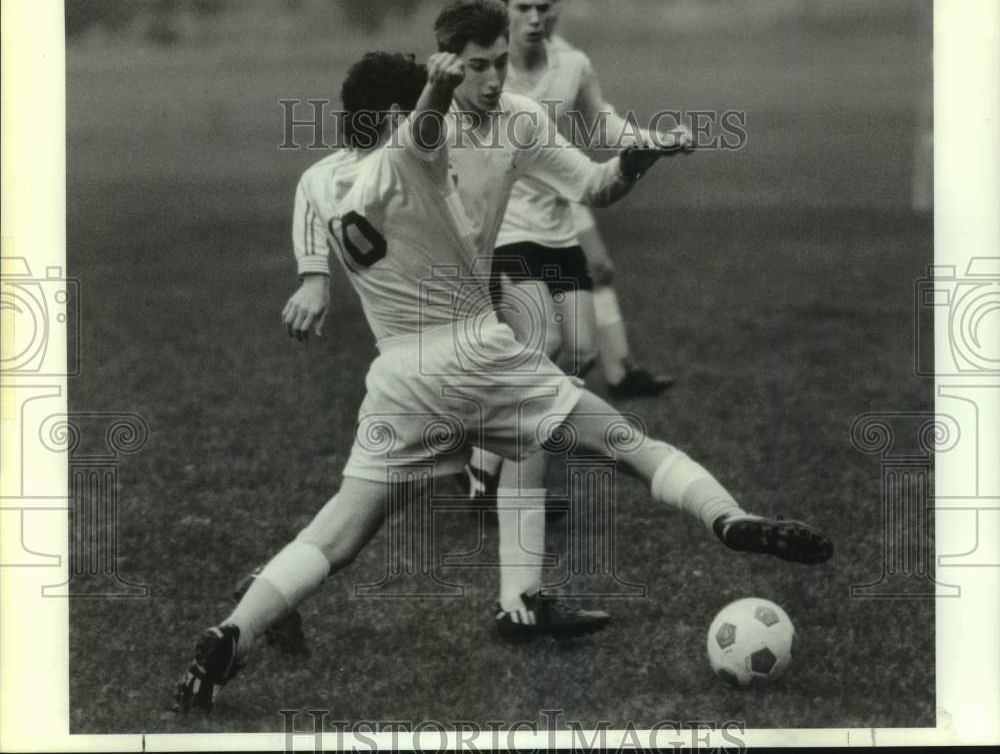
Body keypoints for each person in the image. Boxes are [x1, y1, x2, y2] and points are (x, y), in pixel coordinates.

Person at [173, 40, 831, 713]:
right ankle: (729, 519)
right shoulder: (412, 153)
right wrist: (434, 89)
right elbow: (423, 131)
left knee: (335, 536)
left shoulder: (317, 180)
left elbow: (390, 159)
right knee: (627, 444)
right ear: (401, 115)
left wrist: (315, 277)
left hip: (399, 376)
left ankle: (230, 635)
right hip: (476, 354)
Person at [465, 0, 681, 498]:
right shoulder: (489, 71)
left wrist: (651, 140)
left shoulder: (573, 65)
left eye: (544, 7)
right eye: (523, 8)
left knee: (582, 352)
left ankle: (493, 448)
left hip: (560, 224)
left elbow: (601, 123)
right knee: (543, 341)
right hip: (507, 226)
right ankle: (496, 475)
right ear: (504, 8)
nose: (535, 18)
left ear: (557, 7)